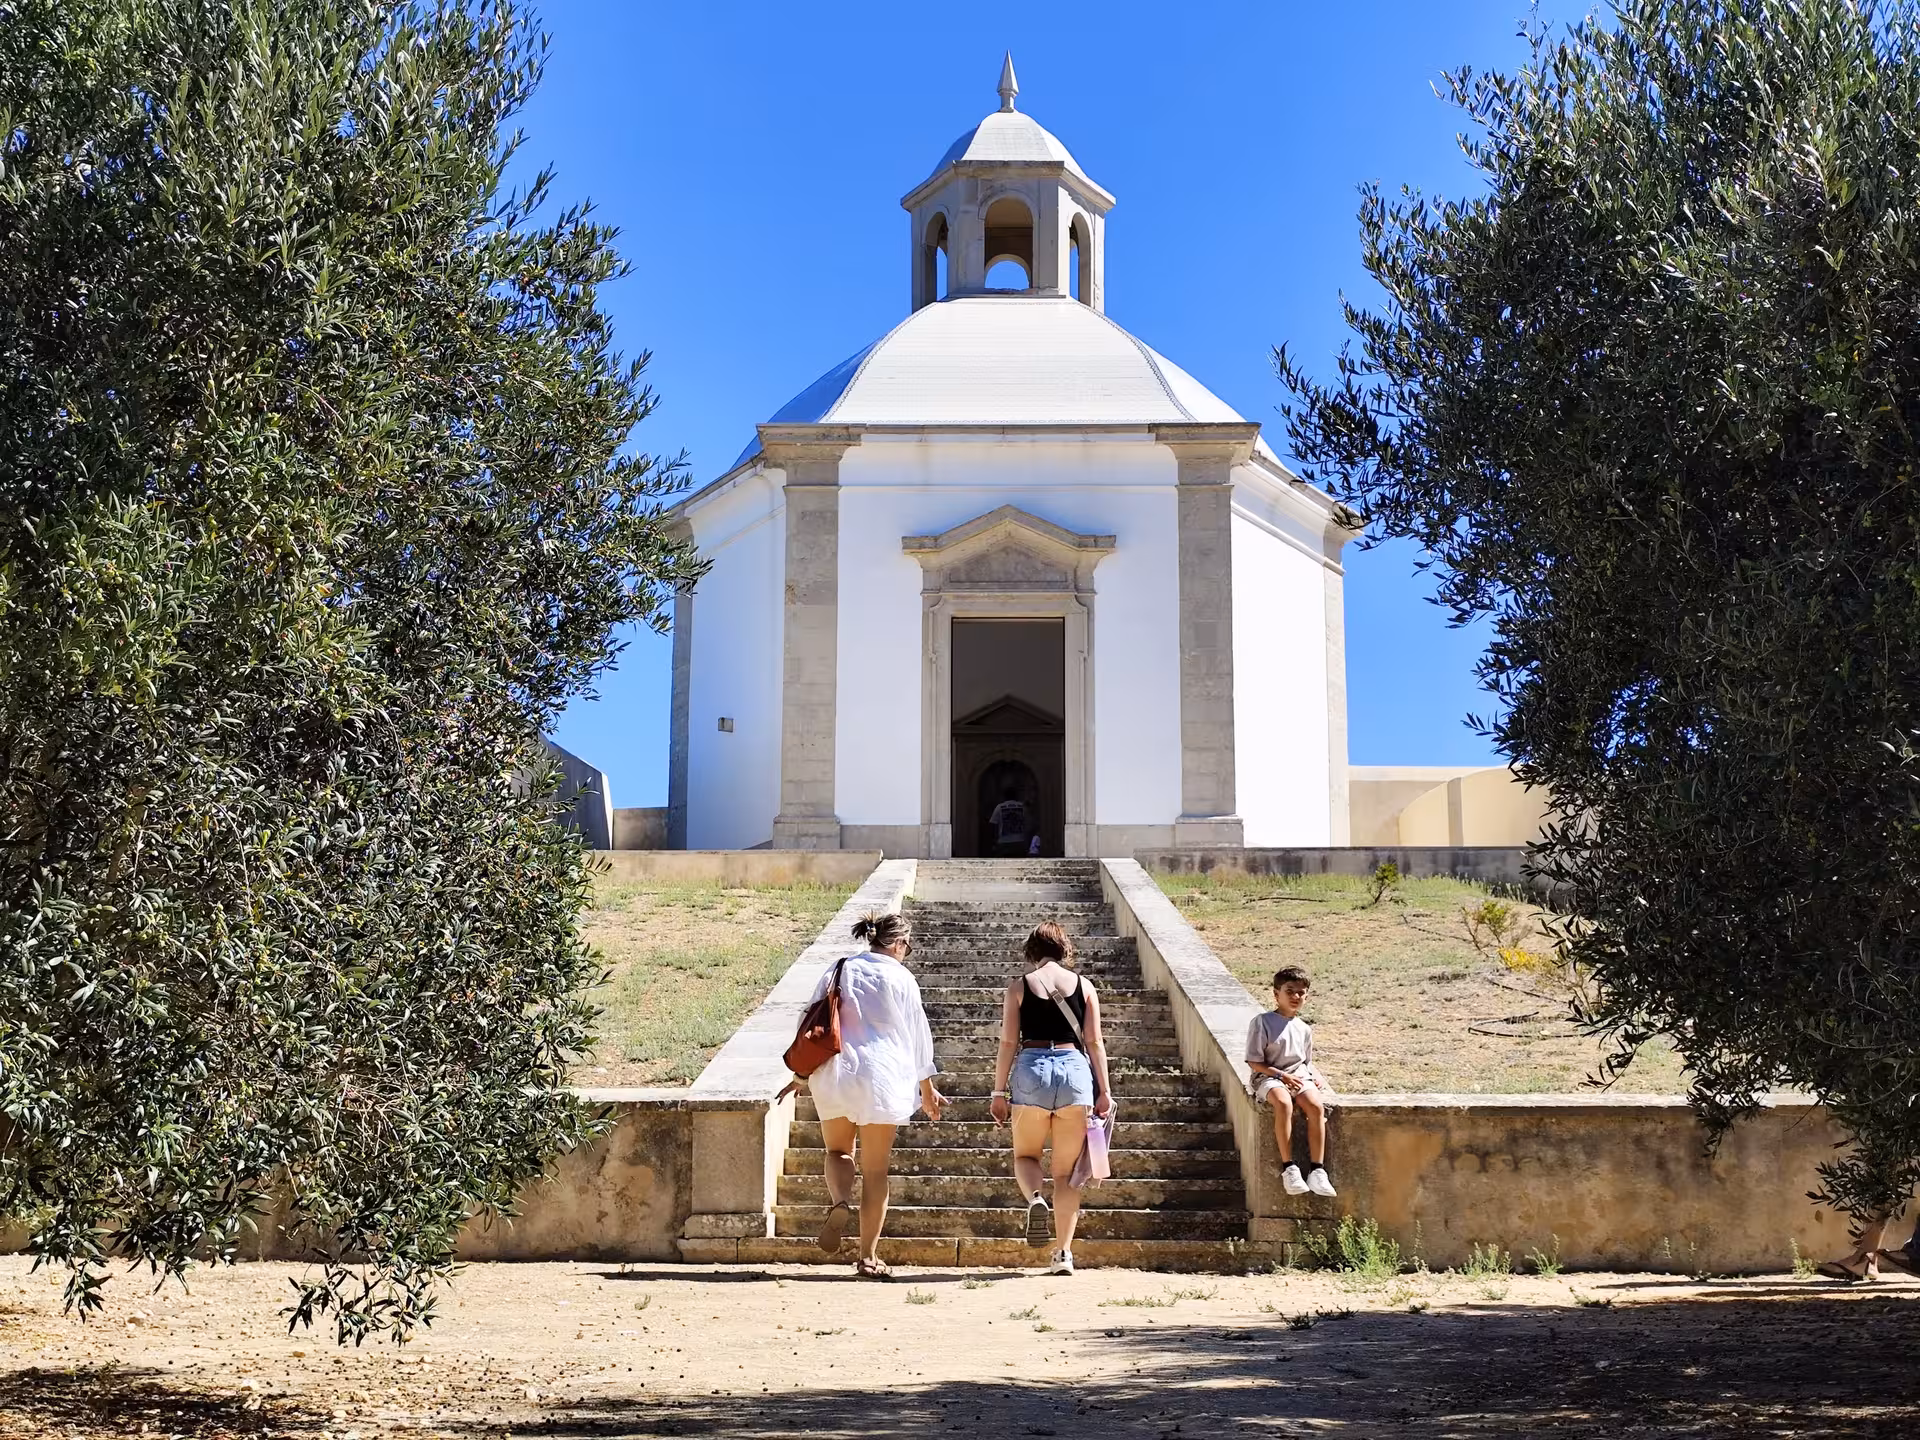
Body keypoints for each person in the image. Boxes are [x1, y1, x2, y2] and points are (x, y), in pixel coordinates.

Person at [805, 911, 945, 1278]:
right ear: (899, 943)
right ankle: (868, 1256)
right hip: (883, 1077)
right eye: (907, 947)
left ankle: (839, 1202)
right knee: (876, 1170)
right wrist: (926, 1088)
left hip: (837, 1071)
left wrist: (799, 1074)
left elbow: (811, 1019)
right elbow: (919, 1036)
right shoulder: (902, 978)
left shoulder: (839, 968)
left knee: (837, 1151)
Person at [989, 921, 1114, 1276]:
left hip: (1032, 1069)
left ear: (1031, 950)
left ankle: (1035, 1199)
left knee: (1026, 1155)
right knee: (1067, 1175)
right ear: (1065, 948)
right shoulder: (1085, 986)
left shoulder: (1019, 986)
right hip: (1075, 1072)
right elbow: (1095, 1042)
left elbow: (1008, 1043)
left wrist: (999, 1092)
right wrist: (1104, 1091)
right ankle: (1063, 1254)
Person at [1246, 965, 1337, 1199]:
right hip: (1268, 1077)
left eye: (1301, 992)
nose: (1296, 996)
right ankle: (1289, 1167)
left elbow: (1305, 1062)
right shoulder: (1262, 1022)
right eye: (1290, 991)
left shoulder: (1304, 1029)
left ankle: (1317, 1169)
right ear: (1277, 994)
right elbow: (1254, 1062)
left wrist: (1310, 1077)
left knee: (1316, 1106)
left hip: (1297, 1077)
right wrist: (1281, 1075)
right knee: (1284, 1104)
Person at [988, 787, 1030, 857]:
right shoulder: (1022, 806)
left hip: (1003, 843)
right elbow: (1028, 824)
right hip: (1019, 842)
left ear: (1004, 796)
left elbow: (993, 824)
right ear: (1016, 796)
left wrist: (994, 841)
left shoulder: (999, 807)